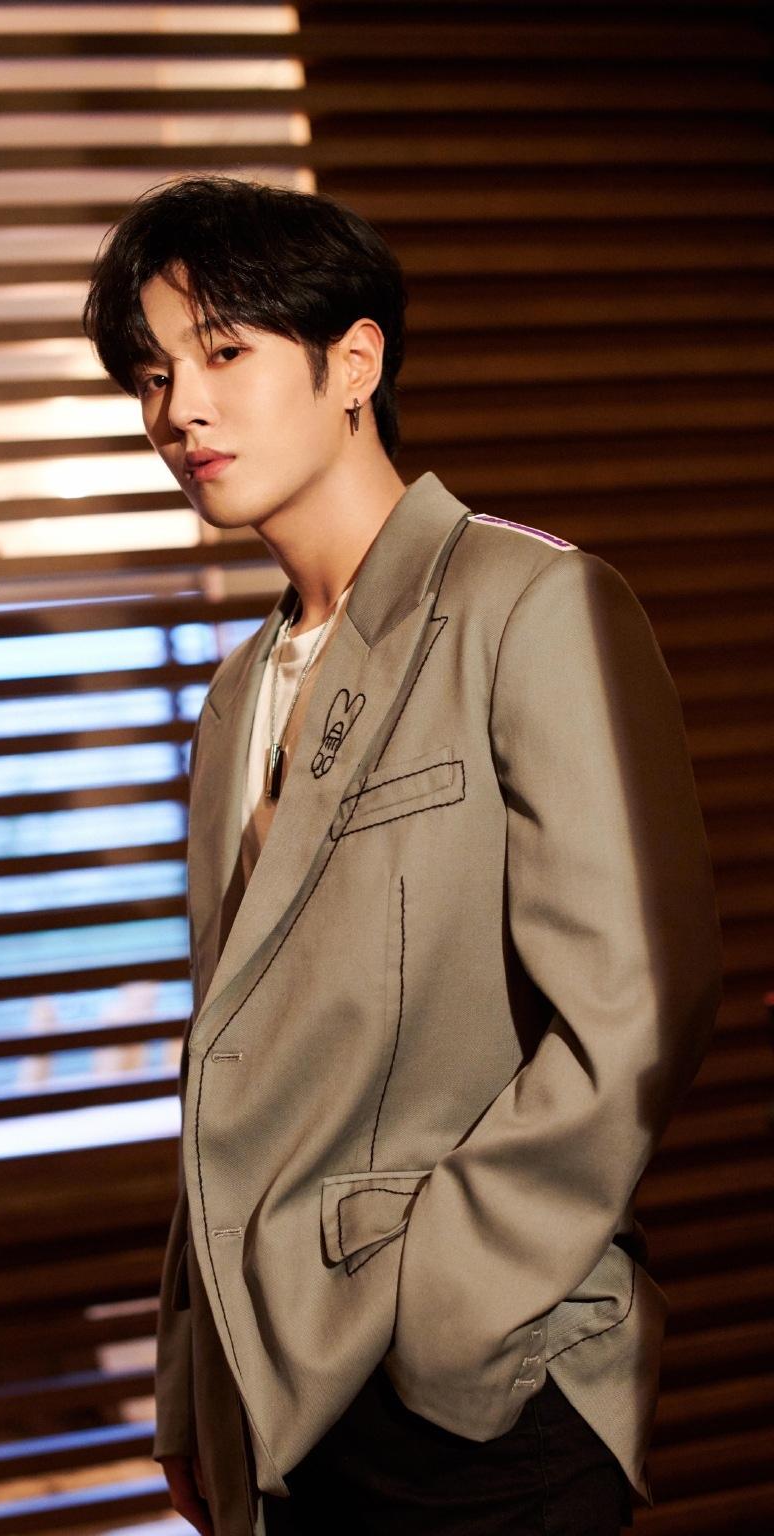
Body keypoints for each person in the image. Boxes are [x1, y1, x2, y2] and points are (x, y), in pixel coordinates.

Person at [82, 175, 723, 1536]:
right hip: (278, 1404)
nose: (179, 410)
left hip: (481, 1389)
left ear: (355, 363)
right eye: (151, 375)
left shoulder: (529, 603)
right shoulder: (234, 697)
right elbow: (230, 1063)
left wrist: (450, 1312)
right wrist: (196, 1386)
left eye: (223, 352)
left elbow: (635, 1010)